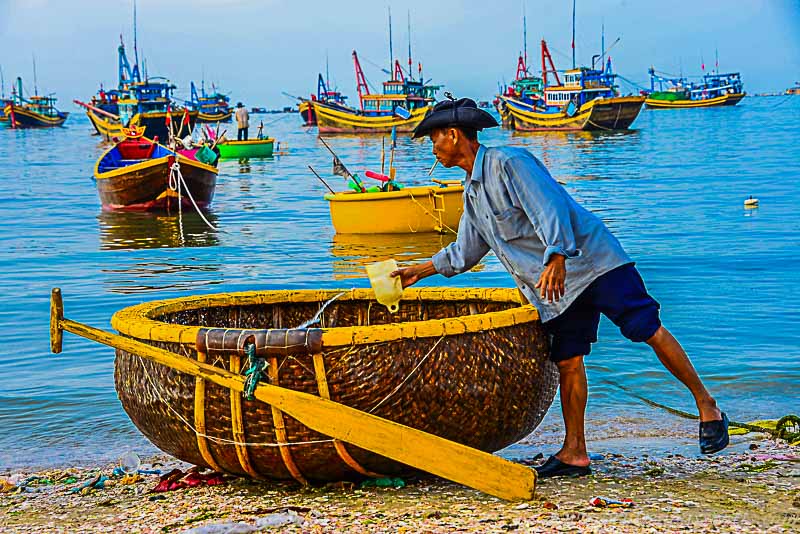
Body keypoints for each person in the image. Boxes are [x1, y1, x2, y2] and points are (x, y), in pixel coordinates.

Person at [392, 98, 729, 478]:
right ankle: (575, 453)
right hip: (556, 286)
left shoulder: (508, 163)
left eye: (434, 138)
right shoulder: (471, 193)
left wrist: (556, 257)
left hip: (592, 261)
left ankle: (707, 405)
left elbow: (549, 208)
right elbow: (466, 251)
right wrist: (418, 271)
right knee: (568, 360)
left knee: (646, 330)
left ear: (454, 136)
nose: (432, 147)